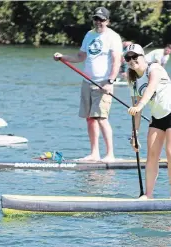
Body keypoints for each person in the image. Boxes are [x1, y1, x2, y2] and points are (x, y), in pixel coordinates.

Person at [53, 7, 122, 162]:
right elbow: (80, 57)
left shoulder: (113, 37)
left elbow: (117, 61)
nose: (98, 22)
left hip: (103, 83)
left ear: (108, 21)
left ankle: (110, 154)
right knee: (90, 119)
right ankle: (94, 153)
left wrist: (110, 81)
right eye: (96, 19)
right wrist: (62, 57)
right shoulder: (89, 35)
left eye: (102, 20)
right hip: (87, 82)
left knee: (102, 118)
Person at [125, 44, 171, 199]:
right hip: (157, 118)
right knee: (152, 156)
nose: (132, 60)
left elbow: (151, 88)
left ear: (143, 56)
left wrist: (139, 105)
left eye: (135, 57)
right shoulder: (133, 81)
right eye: (128, 58)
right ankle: (149, 195)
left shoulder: (155, 68)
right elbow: (136, 113)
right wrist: (134, 135)